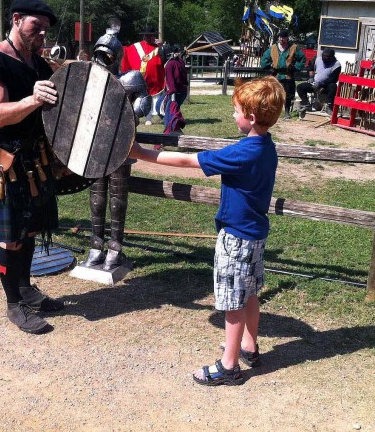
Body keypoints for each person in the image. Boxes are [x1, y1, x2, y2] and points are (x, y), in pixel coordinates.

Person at [129, 75, 285, 386]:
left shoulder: (244, 151)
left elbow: (189, 160)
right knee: (250, 292)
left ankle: (228, 367)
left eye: (237, 110)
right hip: (254, 234)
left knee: (232, 301)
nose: (233, 114)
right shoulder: (267, 147)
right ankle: (248, 347)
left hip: (236, 238)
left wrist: (141, 153)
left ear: (251, 117)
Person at [0, 0, 64, 335]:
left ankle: (26, 290)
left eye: (44, 30)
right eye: (34, 27)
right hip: (5, 160)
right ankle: (15, 304)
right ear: (15, 19)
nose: (41, 34)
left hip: (34, 160)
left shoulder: (38, 63)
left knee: (30, 231)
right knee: (10, 237)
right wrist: (33, 98)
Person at [80, 20, 135, 271]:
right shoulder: (89, 81)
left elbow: (142, 105)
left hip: (120, 145)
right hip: (96, 146)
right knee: (98, 196)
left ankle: (113, 248)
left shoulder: (130, 79)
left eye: (107, 55)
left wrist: (126, 116)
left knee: (116, 197)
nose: (103, 59)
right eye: (100, 54)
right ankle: (97, 246)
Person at [121, 25, 165, 125]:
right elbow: (124, 53)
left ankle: (161, 115)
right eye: (147, 35)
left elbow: (164, 60)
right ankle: (146, 117)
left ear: (154, 36)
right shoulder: (135, 47)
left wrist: (162, 47)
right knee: (141, 99)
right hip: (141, 80)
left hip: (156, 80)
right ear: (144, 36)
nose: (149, 37)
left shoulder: (159, 48)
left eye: (151, 36)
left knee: (157, 99)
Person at [260, 29, 305, 119]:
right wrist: (269, 68)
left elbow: (302, 58)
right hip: (276, 75)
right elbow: (264, 59)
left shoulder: (293, 47)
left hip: (288, 75)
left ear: (287, 38)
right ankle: (272, 112)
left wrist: (296, 67)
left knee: (288, 94)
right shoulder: (273, 48)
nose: (281, 40)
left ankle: (287, 112)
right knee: (273, 93)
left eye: (283, 38)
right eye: (280, 38)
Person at [296, 48, 341, 116]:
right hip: (314, 84)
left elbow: (333, 79)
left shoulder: (336, 65)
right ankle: (306, 104)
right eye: (323, 56)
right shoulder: (318, 59)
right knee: (300, 87)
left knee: (333, 86)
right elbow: (311, 68)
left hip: (326, 86)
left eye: (327, 57)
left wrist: (321, 84)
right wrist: (311, 78)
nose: (324, 58)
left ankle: (329, 106)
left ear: (331, 57)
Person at [162, 46, 188, 135]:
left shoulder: (170, 65)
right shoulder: (180, 61)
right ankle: (173, 132)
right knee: (167, 112)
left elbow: (170, 81)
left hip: (175, 92)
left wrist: (171, 94)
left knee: (169, 115)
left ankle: (169, 136)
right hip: (182, 91)